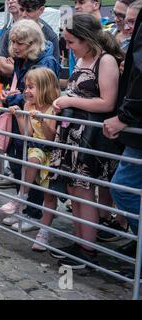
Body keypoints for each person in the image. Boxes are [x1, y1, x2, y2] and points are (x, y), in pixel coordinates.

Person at [48, 14, 123, 269]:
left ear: (86, 38)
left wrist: (69, 101)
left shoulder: (106, 61)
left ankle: (88, 249)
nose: (68, 47)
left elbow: (107, 102)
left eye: (71, 42)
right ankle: (80, 241)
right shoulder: (82, 58)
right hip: (72, 134)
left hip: (90, 138)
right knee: (72, 188)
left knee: (84, 189)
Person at [0, 19, 60, 231]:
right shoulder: (21, 60)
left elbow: (42, 98)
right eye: (13, 42)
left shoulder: (46, 62)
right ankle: (23, 208)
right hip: (23, 118)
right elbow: (22, 90)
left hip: (39, 123)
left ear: (32, 43)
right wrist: (11, 94)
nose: (14, 46)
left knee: (32, 166)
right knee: (17, 162)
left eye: (20, 43)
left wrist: (15, 99)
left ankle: (34, 213)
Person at [0, 68, 59, 251]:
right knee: (32, 159)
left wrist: (42, 120)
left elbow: (50, 137)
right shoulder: (28, 106)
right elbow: (28, 134)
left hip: (52, 153)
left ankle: (43, 233)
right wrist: (19, 115)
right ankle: (21, 197)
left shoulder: (53, 108)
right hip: (36, 149)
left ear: (45, 88)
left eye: (31, 87)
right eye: (26, 86)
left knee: (50, 197)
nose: (26, 91)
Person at [103, 6, 142, 261]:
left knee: (123, 187)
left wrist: (124, 116)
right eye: (122, 20)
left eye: (130, 21)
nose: (125, 26)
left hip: (135, 125)